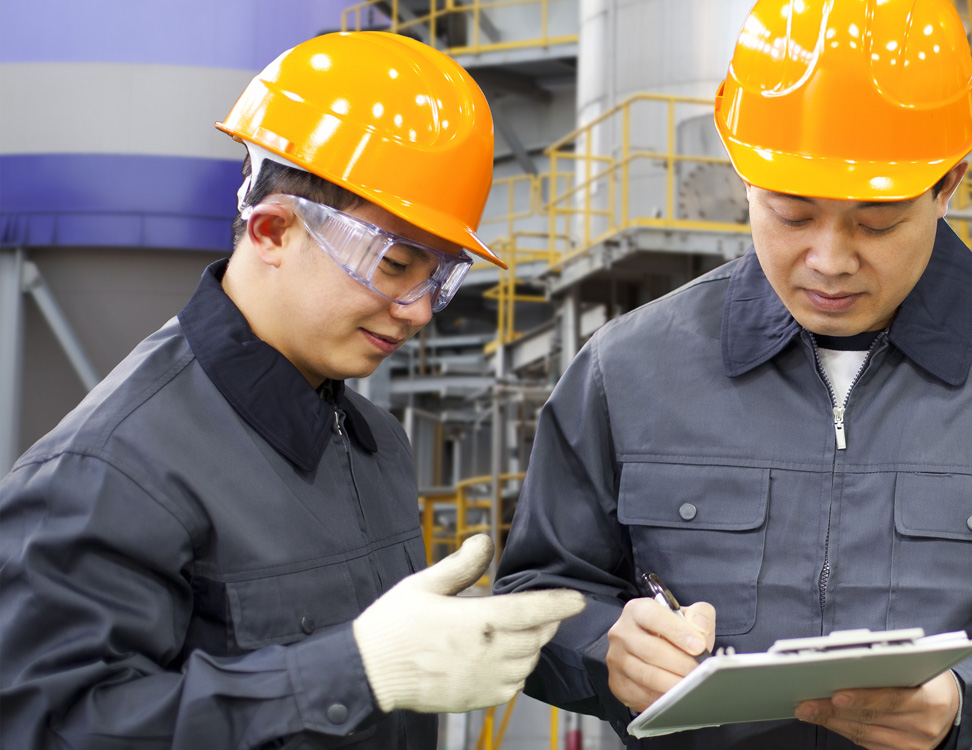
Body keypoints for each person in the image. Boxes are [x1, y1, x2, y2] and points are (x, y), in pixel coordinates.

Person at [493, 1, 972, 748]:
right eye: (791, 214)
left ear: (948, 182)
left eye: (877, 220)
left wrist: (966, 701)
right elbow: (537, 599)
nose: (830, 259)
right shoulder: (625, 370)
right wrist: (605, 648)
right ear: (744, 175)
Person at [0, 31, 584, 749]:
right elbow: (48, 729)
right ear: (273, 230)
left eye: (439, 277)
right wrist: (357, 671)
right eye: (395, 264)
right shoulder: (111, 471)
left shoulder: (377, 443)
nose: (420, 310)